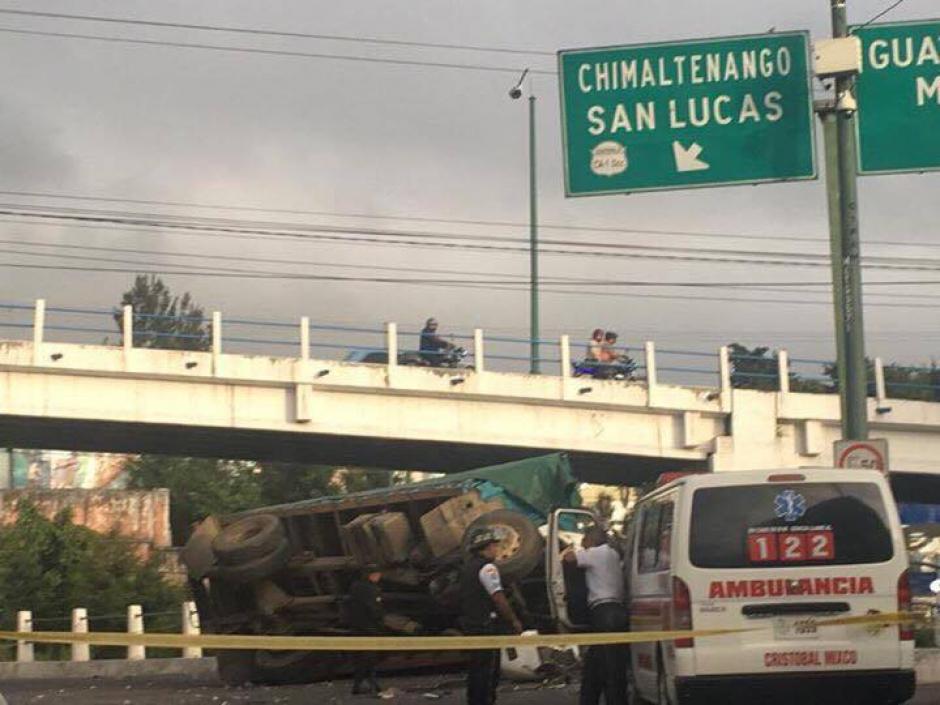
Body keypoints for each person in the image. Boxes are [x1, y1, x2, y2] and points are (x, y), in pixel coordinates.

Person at [564, 526, 628, 705]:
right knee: (598, 663)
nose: (583, 543)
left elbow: (569, 559)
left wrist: (570, 548)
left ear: (591, 539)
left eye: (584, 539)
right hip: (617, 611)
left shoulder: (595, 553)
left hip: (603, 613)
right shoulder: (613, 554)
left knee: (609, 668)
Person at [460, 527, 524, 705]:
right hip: (486, 626)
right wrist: (513, 620)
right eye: (495, 545)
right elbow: (499, 598)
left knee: (476, 670)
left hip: (472, 625)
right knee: (488, 671)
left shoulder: (468, 568)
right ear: (486, 547)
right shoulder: (488, 568)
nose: (498, 549)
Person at [348, 564, 386, 695]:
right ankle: (367, 684)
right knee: (369, 657)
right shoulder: (372, 589)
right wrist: (381, 623)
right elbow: (375, 610)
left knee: (360, 656)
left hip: (356, 627)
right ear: (371, 575)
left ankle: (363, 684)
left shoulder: (355, 586)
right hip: (369, 628)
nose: (379, 577)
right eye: (377, 574)